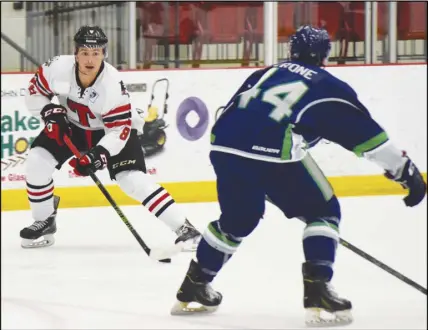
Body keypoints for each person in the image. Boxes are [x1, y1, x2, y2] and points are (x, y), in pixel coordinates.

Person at [170, 25, 427, 325]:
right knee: (323, 210)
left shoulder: (266, 73)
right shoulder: (327, 85)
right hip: (270, 151)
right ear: (324, 55)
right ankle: (318, 289)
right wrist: (404, 170)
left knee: (238, 220)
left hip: (224, 147)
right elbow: (366, 137)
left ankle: (194, 286)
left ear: (292, 51)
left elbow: (235, 110)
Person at [20, 25, 201, 253]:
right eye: (84, 52)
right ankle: (44, 221)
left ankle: (185, 228)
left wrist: (98, 155)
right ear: (75, 53)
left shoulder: (112, 85)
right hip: (71, 126)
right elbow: (34, 93)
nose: (89, 59)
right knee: (37, 161)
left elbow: (118, 131)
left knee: (131, 179)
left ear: (104, 55)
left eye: (96, 53)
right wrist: (48, 112)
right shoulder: (57, 67)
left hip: (112, 131)